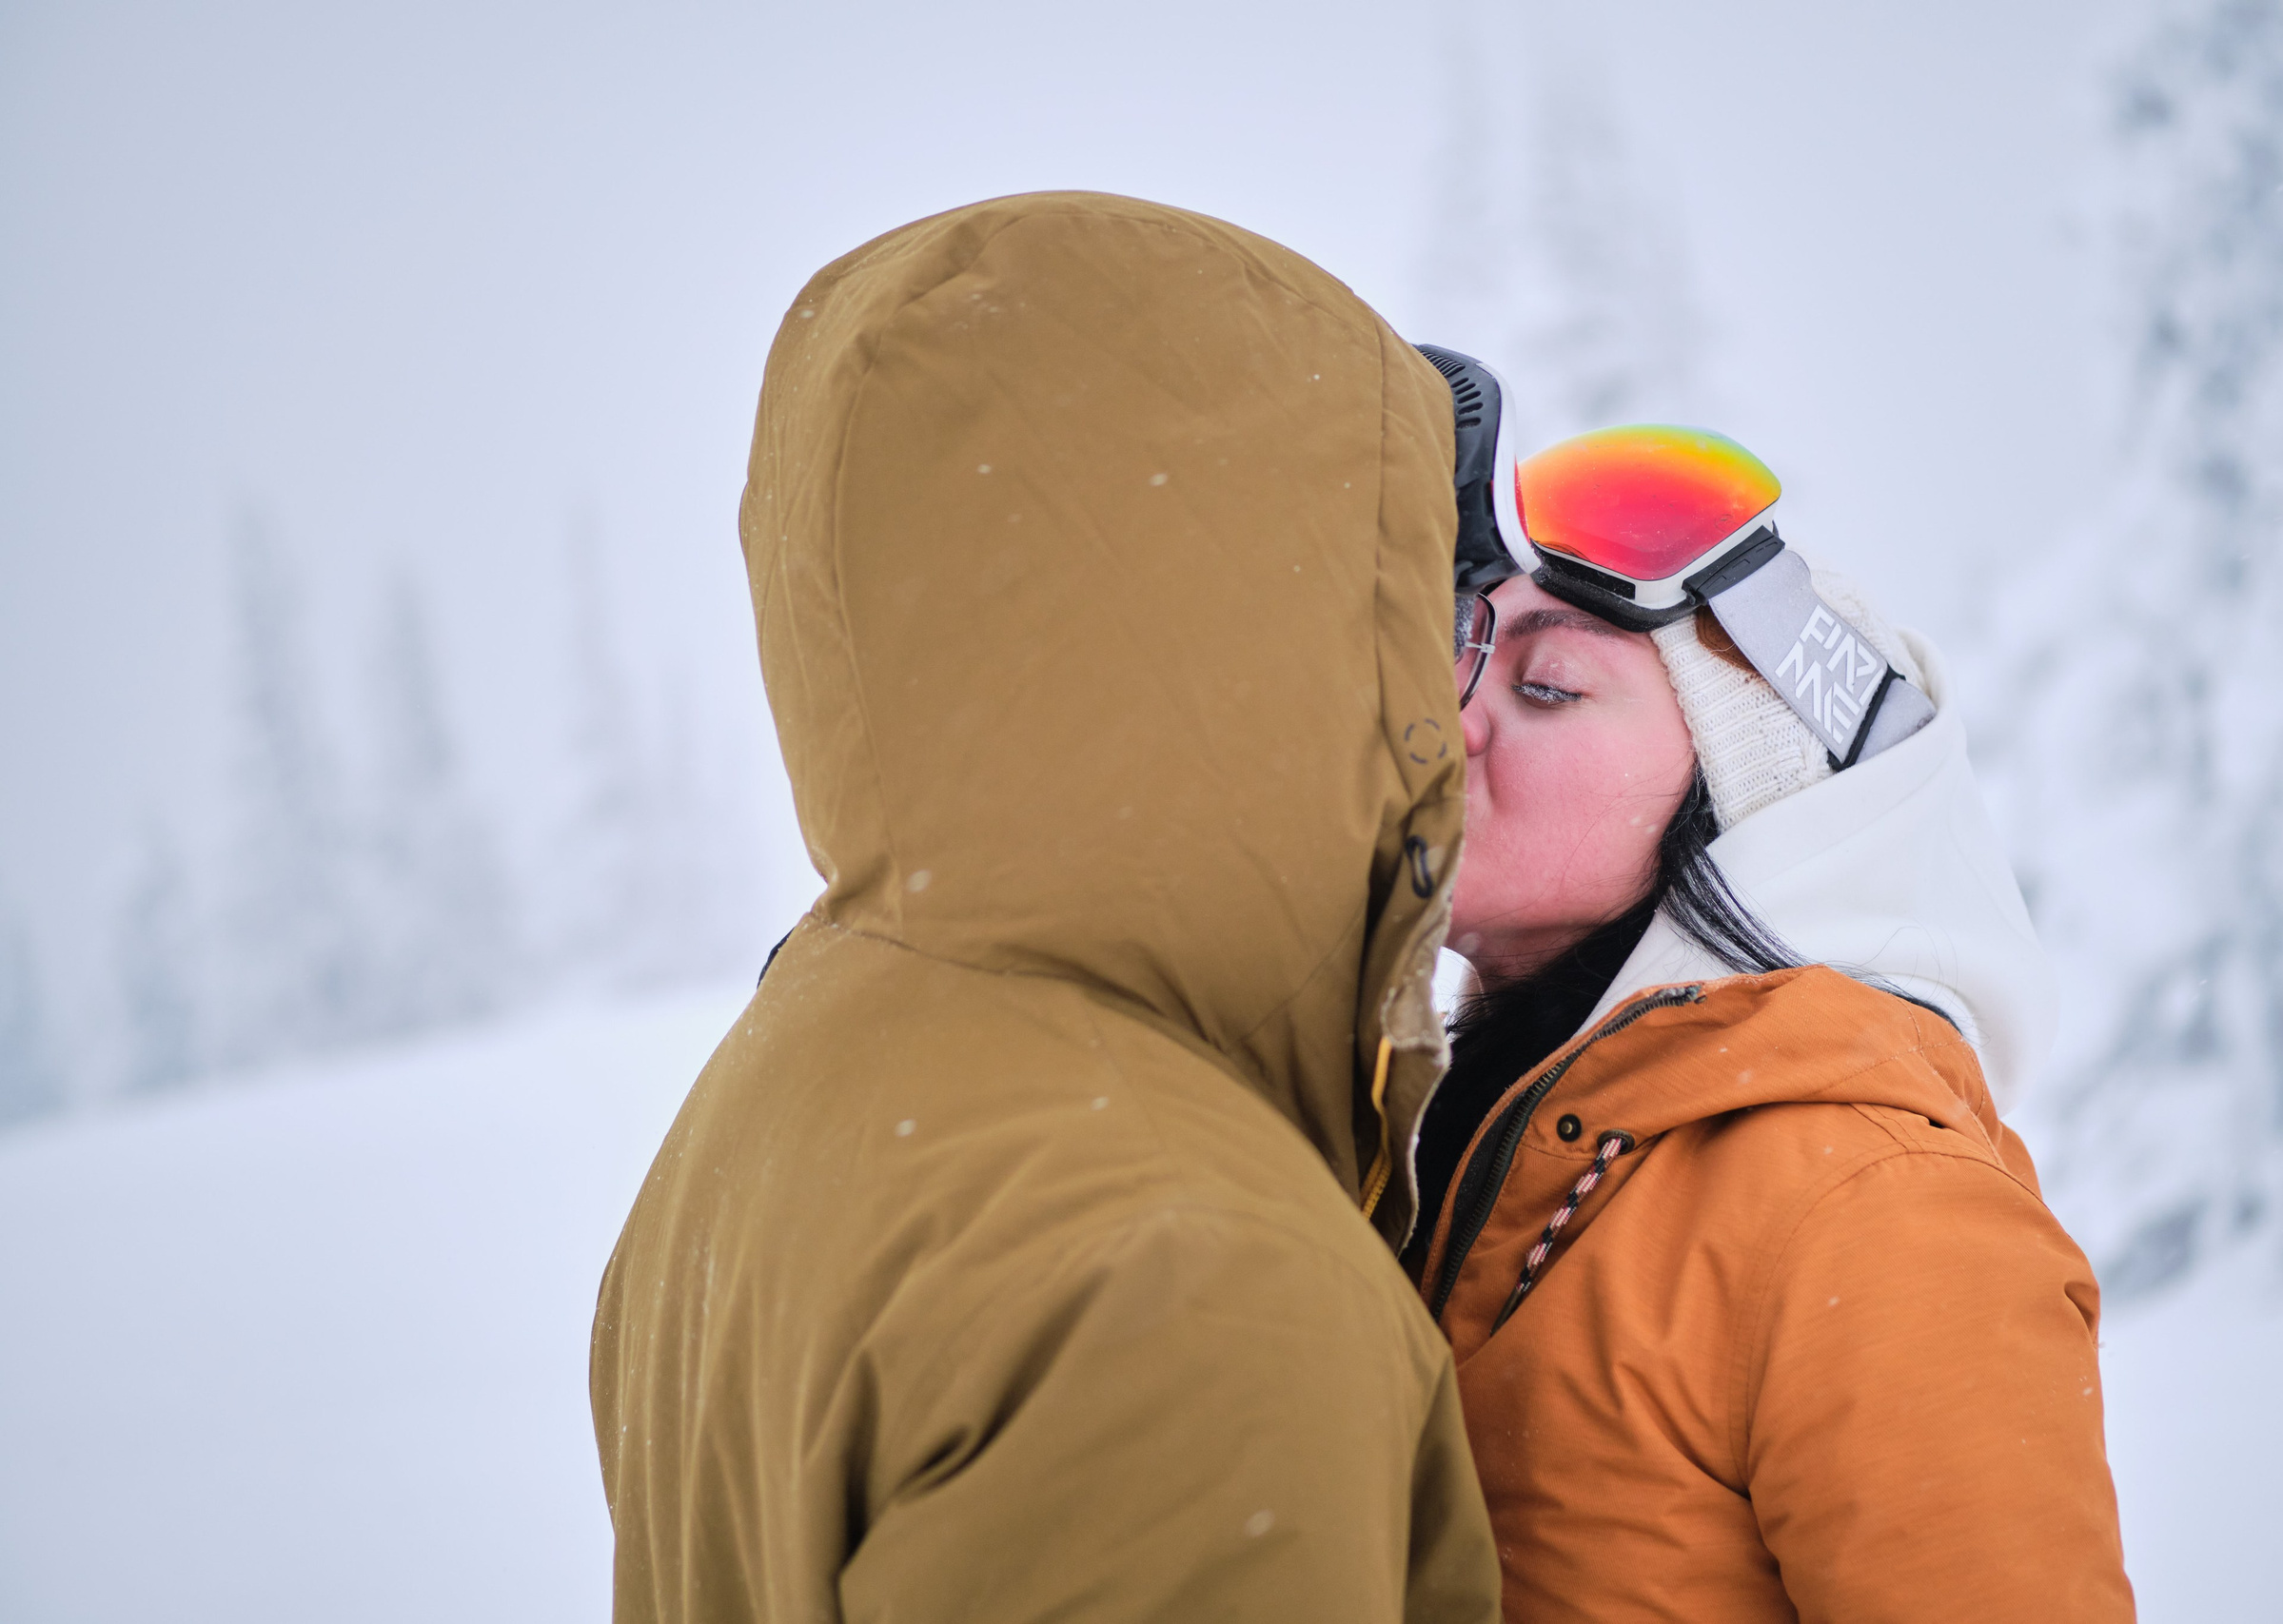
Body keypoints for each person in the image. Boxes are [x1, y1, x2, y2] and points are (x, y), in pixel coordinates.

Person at [589, 193, 1504, 1623]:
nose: (1448, 691)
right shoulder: (1185, 1283)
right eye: (1408, 600)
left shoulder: (800, 1071)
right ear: (1273, 629)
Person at [1407, 421, 2135, 1622]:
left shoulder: (1874, 1206)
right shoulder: (1458, 1148)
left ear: (1755, 809)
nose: (1455, 723)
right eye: (1456, 670)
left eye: (1547, 687)